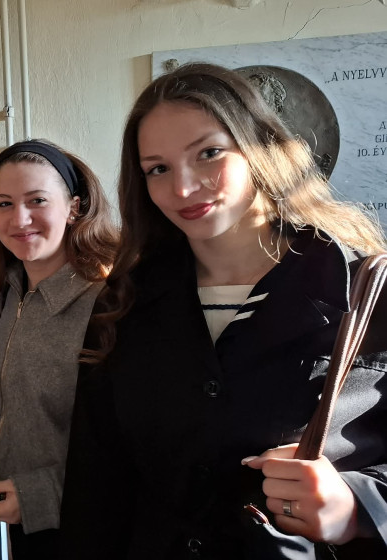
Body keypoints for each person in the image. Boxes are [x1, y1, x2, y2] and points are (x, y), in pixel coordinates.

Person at [60, 62, 387, 559]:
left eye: (209, 153)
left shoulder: (367, 297)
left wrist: (360, 507)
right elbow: (96, 481)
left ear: (260, 147)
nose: (183, 188)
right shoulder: (122, 304)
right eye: (158, 169)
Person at [0, 140, 117, 559]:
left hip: (86, 526)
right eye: (5, 204)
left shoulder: (107, 305)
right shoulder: (9, 290)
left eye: (37, 200)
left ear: (74, 207)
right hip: (23, 522)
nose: (20, 219)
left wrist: (41, 494)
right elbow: (0, 375)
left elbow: (123, 445)